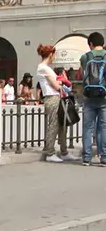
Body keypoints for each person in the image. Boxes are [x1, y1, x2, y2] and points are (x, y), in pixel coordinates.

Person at [36, 45, 78, 163]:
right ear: (51, 54)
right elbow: (55, 85)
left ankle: (64, 152)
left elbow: (56, 83)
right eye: (54, 54)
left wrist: (60, 81)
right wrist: (61, 82)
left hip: (57, 98)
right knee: (54, 125)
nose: (54, 57)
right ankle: (50, 153)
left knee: (62, 125)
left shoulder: (46, 68)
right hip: (52, 98)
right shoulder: (43, 68)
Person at [80, 32, 106, 166]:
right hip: (104, 97)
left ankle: (86, 157)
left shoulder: (85, 57)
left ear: (90, 44)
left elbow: (83, 75)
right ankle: (104, 158)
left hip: (89, 96)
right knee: (103, 127)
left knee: (88, 127)